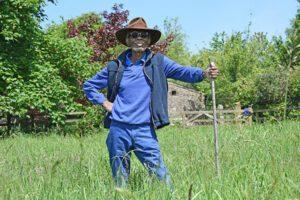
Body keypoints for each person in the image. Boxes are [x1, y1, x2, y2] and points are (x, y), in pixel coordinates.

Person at [83, 17, 219, 190]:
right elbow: (89, 86)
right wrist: (105, 103)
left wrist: (205, 73)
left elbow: (184, 72)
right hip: (118, 130)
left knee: (161, 176)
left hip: (144, 130)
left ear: (149, 40)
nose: (139, 38)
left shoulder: (159, 63)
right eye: (134, 34)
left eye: (143, 35)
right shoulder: (115, 67)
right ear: (127, 40)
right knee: (120, 178)